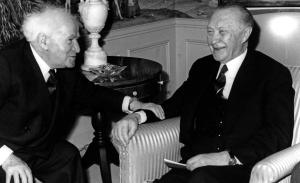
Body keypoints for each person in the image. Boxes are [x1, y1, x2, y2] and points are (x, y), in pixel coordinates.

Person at [112, 4, 295, 183]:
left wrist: (228, 158)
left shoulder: (272, 74)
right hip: (194, 166)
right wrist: (136, 117)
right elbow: (174, 105)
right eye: (210, 31)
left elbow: (278, 134)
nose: (213, 40)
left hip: (241, 169)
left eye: (222, 32)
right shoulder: (202, 67)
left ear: (245, 34)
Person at [0, 4, 164, 183]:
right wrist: (7, 159)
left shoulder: (63, 67)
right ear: (44, 41)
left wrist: (133, 104)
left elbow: (90, 94)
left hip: (38, 150)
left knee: (68, 156)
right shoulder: (6, 65)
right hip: (6, 153)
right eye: (70, 40)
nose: (78, 50)